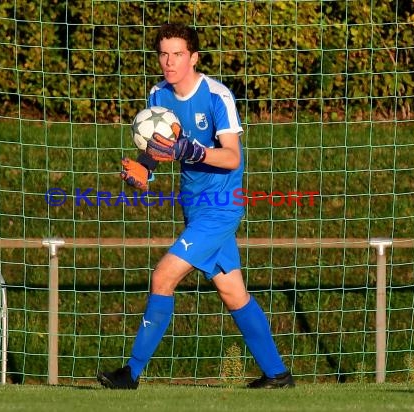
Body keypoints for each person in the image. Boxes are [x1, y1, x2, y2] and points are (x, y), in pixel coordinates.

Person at [97, 22, 294, 390]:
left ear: (194, 57)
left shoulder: (217, 96)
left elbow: (232, 157)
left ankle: (131, 373)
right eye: (163, 54)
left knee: (163, 276)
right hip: (193, 206)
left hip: (222, 205)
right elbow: (158, 150)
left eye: (178, 55)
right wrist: (144, 170)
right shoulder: (158, 95)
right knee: (233, 291)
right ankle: (277, 374)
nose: (169, 62)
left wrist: (194, 150)